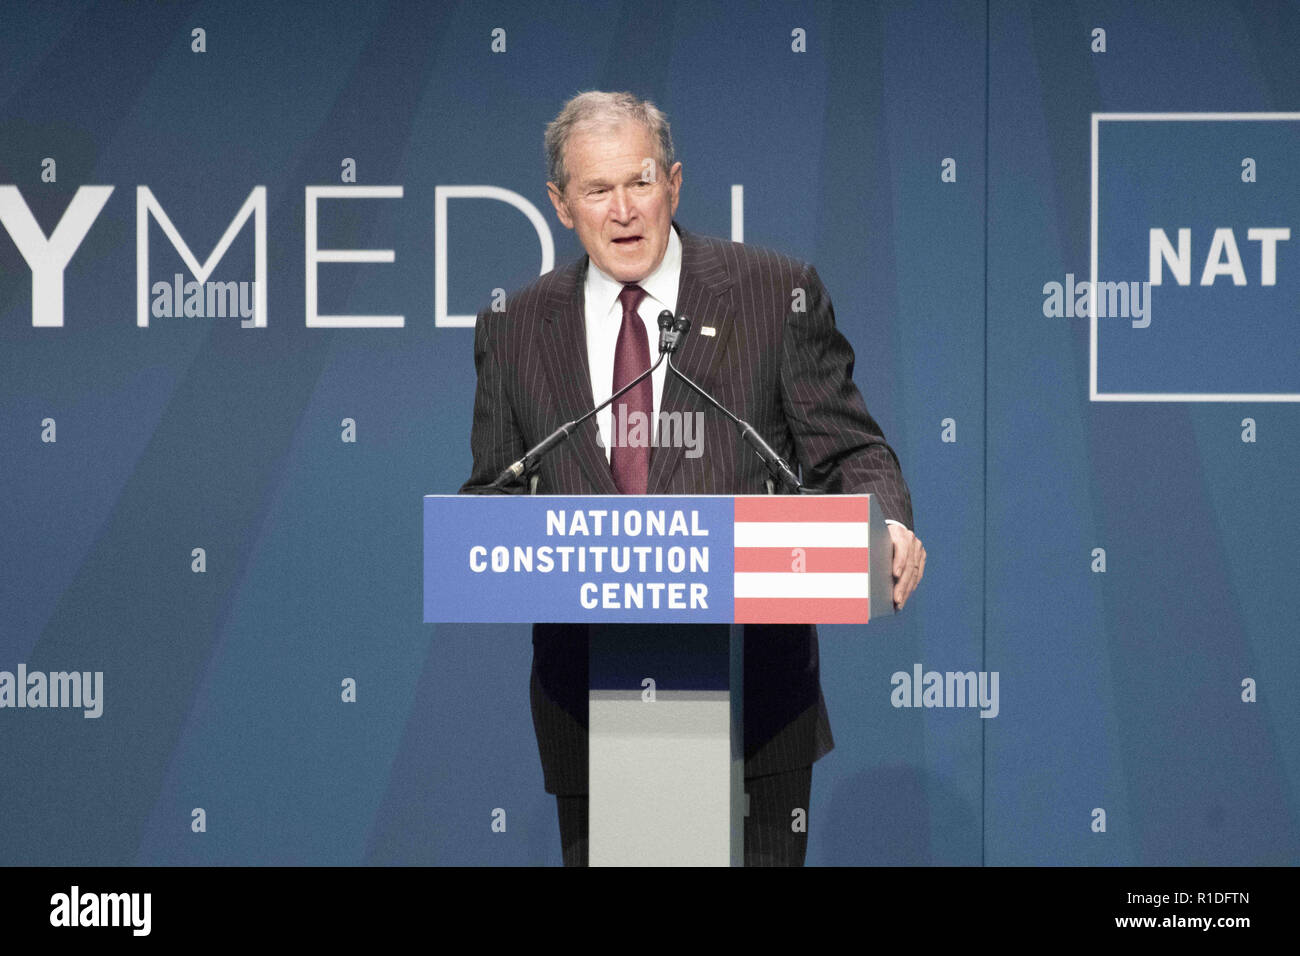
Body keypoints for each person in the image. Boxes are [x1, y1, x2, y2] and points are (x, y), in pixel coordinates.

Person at [460, 91, 925, 865]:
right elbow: (493, 496)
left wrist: (886, 524)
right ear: (560, 204)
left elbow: (848, 453)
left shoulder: (775, 295)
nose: (622, 210)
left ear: (674, 182)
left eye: (639, 182)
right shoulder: (514, 325)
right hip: (591, 704)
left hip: (756, 697)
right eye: (596, 190)